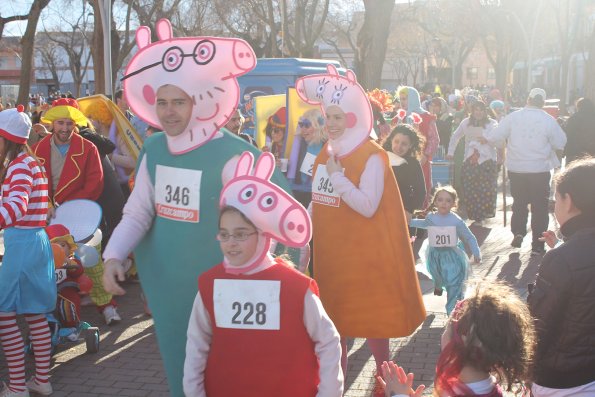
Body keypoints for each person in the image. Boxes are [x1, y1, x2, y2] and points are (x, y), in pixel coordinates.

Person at [101, 20, 288, 396]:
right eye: (162, 103)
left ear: (198, 101)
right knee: (181, 374)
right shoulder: (153, 150)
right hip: (169, 293)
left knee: (228, 378)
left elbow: (265, 228)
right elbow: (139, 212)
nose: (168, 113)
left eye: (178, 102)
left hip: (224, 292)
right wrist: (113, 256)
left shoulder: (232, 155)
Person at [296, 65, 426, 396]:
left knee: (373, 327)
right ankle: (335, 389)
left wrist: (338, 177)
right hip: (331, 259)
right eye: (328, 117)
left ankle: (385, 388)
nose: (332, 124)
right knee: (334, 331)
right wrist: (303, 233)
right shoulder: (326, 152)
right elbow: (320, 200)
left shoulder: (372, 155)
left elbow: (367, 204)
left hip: (364, 259)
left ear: (353, 117)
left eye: (338, 117)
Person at [183, 151, 343, 396]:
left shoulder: (295, 287)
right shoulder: (210, 284)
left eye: (241, 234)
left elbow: (328, 341)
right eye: (224, 234)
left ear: (262, 234)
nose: (231, 242)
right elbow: (196, 345)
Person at [379, 282, 535, 397]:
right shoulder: (487, 388)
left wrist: (397, 395)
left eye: (447, 329)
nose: (443, 335)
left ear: (459, 339)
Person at [528, 157, 595, 396]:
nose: (554, 206)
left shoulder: (563, 258)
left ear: (570, 201)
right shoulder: (564, 254)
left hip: (563, 380)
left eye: (556, 198)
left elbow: (538, 326)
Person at [0, 107, 55, 397]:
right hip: (37, 242)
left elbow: (16, 207)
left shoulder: (19, 166)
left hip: (21, 245)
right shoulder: (33, 163)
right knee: (35, 315)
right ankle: (42, 381)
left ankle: (17, 386)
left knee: (4, 314)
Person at [484, 88, 567, 255]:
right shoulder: (548, 120)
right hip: (539, 169)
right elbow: (561, 142)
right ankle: (538, 244)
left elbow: (494, 136)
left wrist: (502, 146)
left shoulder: (513, 117)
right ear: (542, 102)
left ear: (528, 99)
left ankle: (519, 232)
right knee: (540, 207)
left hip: (517, 168)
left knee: (519, 203)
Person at [409, 186, 481, 314]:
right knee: (437, 277)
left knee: (453, 283)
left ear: (453, 204)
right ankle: (438, 285)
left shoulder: (456, 221)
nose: (444, 203)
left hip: (452, 256)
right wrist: (409, 222)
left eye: (448, 200)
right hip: (434, 255)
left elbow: (469, 237)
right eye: (440, 199)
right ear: (435, 202)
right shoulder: (431, 217)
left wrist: (476, 253)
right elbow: (423, 224)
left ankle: (452, 312)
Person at [447, 101, 500, 223]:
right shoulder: (465, 122)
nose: (478, 112)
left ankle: (481, 216)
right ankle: (474, 215)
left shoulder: (492, 123)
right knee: (470, 189)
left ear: (485, 111)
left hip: (486, 161)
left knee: (485, 189)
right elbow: (456, 136)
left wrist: (487, 140)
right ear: (472, 110)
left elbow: (498, 139)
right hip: (470, 160)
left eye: (481, 110)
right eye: (476, 109)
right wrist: (450, 152)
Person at [397, 86, 439, 205]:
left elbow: (434, 139)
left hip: (421, 162)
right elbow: (390, 136)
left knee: (421, 190)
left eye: (405, 99)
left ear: (413, 99)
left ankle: (420, 218)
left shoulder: (426, 117)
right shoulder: (400, 117)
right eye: (400, 99)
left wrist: (426, 155)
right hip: (401, 161)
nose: (402, 102)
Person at [45, 224, 91, 331]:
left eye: (62, 245)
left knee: (68, 307)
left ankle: (72, 326)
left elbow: (78, 270)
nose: (59, 249)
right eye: (54, 246)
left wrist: (68, 262)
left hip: (67, 292)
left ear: (69, 246)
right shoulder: (46, 262)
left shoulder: (71, 258)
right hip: (48, 293)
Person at [382, 124, 426, 215]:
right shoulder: (381, 157)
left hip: (403, 210)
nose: (399, 146)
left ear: (411, 145)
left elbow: (420, 192)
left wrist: (409, 210)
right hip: (382, 209)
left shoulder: (413, 164)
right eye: (396, 141)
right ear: (391, 140)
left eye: (404, 144)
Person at [287, 109, 327, 207]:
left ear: (318, 127)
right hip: (300, 194)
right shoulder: (300, 145)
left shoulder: (327, 146)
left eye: (307, 125)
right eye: (301, 125)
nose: (303, 129)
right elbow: (295, 173)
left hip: (319, 198)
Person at [563, 97, 595, 163]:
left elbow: (567, 135)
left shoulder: (574, 118)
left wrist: (564, 151)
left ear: (579, 107)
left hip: (574, 154)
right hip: (592, 155)